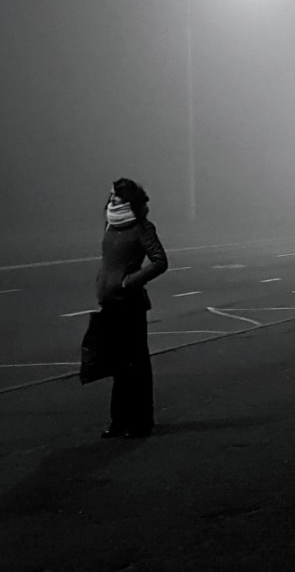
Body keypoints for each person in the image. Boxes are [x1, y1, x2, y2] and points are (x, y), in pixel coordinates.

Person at [94, 177, 168, 439]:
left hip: (131, 304)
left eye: (118, 197)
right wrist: (103, 283)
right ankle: (118, 421)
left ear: (130, 201)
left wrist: (129, 281)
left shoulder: (142, 227)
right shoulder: (110, 224)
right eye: (112, 195)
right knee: (117, 365)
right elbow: (108, 261)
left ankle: (142, 421)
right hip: (110, 303)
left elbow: (160, 261)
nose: (113, 200)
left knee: (137, 364)